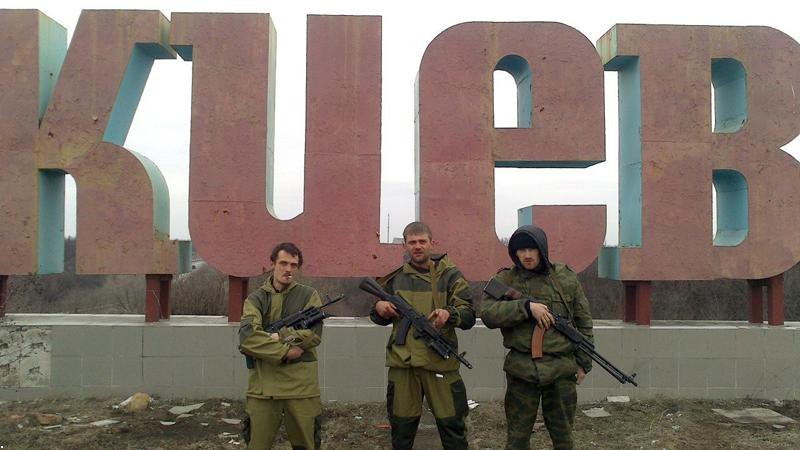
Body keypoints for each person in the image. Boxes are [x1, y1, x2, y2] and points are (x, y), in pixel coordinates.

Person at [480, 224, 594, 450]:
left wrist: (584, 363)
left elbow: (583, 322)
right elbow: (487, 313)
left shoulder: (565, 278)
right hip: (522, 370)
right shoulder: (506, 279)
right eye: (521, 250)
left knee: (564, 439)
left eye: (532, 249)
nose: (527, 255)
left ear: (542, 249)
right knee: (517, 439)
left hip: (561, 370)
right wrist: (525, 307)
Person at [369, 221, 476, 450]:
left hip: (440, 364)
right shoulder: (395, 279)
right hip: (403, 365)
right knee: (401, 430)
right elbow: (376, 315)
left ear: (432, 243)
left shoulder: (450, 276)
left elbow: (469, 314)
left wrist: (449, 314)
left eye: (422, 241)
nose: (417, 246)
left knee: (453, 428)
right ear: (404, 246)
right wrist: (379, 308)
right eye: (412, 242)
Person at [238, 242, 323, 449]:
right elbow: (248, 337)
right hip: (263, 388)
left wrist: (280, 335)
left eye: (293, 265)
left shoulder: (308, 295)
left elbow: (313, 335)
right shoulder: (256, 299)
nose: (288, 269)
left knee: (307, 444)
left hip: (301, 388)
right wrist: (285, 351)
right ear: (272, 264)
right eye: (283, 263)